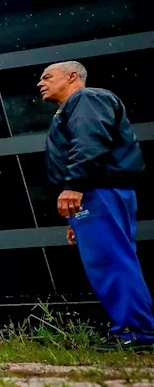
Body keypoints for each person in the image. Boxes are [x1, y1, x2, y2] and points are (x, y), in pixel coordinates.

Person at [38, 60, 153, 352]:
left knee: (112, 260)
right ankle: (132, 330)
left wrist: (74, 185)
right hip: (95, 193)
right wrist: (74, 219)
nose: (41, 83)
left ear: (72, 76)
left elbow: (90, 142)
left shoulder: (87, 98)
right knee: (110, 259)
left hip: (97, 190)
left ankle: (137, 333)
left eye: (48, 77)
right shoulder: (73, 107)